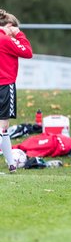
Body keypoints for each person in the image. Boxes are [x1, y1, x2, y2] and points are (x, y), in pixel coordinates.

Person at [0, 9, 33, 172]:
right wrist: (18, 34)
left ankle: (11, 163)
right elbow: (27, 52)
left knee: (3, 130)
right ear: (10, 26)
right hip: (5, 85)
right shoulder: (6, 39)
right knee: (3, 126)